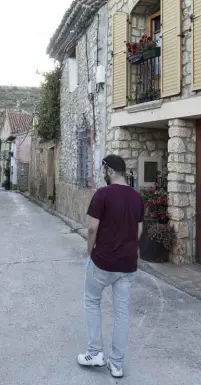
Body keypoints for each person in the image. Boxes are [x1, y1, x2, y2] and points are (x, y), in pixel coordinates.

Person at [77, 154, 144, 379]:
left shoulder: (102, 194)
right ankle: (116, 364)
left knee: (92, 301)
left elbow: (92, 229)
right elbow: (139, 231)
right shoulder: (137, 197)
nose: (102, 174)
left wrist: (90, 252)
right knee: (121, 313)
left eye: (103, 170)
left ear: (110, 171)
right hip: (127, 265)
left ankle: (95, 353)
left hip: (102, 262)